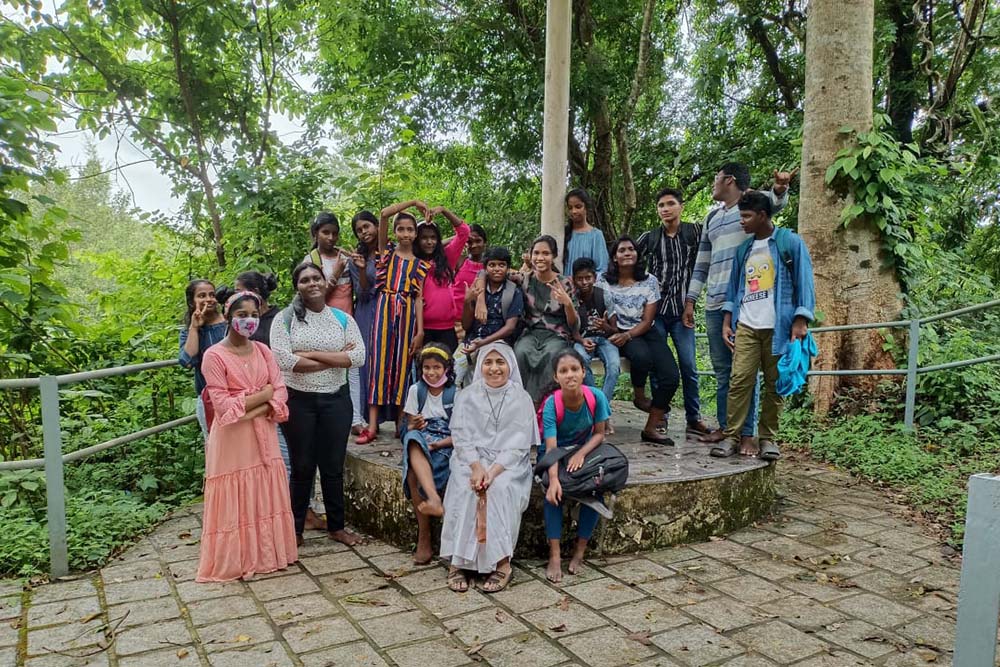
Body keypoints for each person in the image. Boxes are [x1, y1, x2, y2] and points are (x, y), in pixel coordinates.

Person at [684, 164, 795, 448]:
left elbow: (771, 207)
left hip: (746, 302)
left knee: (745, 372)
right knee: (724, 371)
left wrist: (780, 191)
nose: (713, 184)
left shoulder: (749, 209)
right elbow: (702, 262)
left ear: (729, 180)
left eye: (715, 178)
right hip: (715, 303)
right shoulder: (711, 218)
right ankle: (727, 429)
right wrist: (691, 299)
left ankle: (747, 434)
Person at [703, 192, 815, 460]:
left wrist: (801, 320)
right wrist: (727, 321)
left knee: (775, 384)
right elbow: (734, 287)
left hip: (780, 326)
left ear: (762, 215)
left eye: (746, 216)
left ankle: (768, 438)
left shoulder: (789, 242)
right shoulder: (744, 249)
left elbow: (805, 280)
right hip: (747, 324)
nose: (742, 221)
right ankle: (732, 436)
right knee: (739, 380)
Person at [196, 291, 297, 582]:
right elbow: (223, 407)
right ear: (228, 317)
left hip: (262, 433)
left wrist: (253, 404)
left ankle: (266, 555)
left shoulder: (264, 351)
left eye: (254, 315)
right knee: (237, 491)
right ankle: (237, 559)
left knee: (264, 487)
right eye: (242, 315)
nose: (249, 320)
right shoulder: (214, 356)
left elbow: (280, 392)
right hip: (232, 443)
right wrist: (263, 397)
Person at [270, 262, 367, 547]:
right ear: (296, 286)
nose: (312, 283)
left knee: (333, 466)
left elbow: (358, 357)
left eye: (316, 278)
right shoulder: (284, 319)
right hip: (299, 401)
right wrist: (336, 356)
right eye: (304, 280)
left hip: (336, 400)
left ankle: (337, 527)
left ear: (325, 282)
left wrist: (310, 353)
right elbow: (286, 362)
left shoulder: (343, 319)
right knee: (302, 466)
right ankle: (295, 529)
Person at [231, 272, 327, 532]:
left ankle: (298, 512)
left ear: (256, 294)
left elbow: (286, 359)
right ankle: (270, 516)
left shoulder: (282, 319)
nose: (237, 295)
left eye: (240, 290)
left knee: (294, 459)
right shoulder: (238, 324)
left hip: (285, 398)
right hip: (251, 403)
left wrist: (271, 395)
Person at [440, 342, 535, 594]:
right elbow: (460, 436)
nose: (494, 368)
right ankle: (459, 561)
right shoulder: (467, 395)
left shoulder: (521, 398)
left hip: (508, 464)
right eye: (488, 362)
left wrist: (491, 472)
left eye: (500, 362)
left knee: (500, 489)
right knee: (464, 487)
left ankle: (501, 562)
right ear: (480, 365)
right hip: (469, 460)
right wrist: (475, 467)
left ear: (510, 365)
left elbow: (519, 444)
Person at [636, 188, 711, 435]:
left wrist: (691, 302)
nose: (665, 209)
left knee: (689, 365)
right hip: (655, 312)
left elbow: (705, 262)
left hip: (682, 311)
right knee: (659, 366)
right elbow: (629, 261)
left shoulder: (695, 232)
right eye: (661, 205)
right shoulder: (650, 237)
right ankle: (661, 415)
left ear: (681, 206)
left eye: (670, 204)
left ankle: (693, 417)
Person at [357, 201, 430, 444]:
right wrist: (414, 203)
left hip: (408, 313)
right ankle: (373, 425)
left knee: (402, 366)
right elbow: (384, 213)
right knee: (378, 364)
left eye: (410, 230)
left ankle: (401, 424)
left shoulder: (421, 265)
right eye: (402, 229)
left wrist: (420, 332)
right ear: (395, 232)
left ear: (416, 233)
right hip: (384, 309)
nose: (406, 234)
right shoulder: (386, 254)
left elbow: (419, 299)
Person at [539, 350, 611, 583]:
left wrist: (580, 453)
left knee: (595, 489)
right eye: (563, 371)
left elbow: (600, 434)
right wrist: (555, 480)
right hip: (556, 452)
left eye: (574, 369)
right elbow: (551, 447)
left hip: (585, 449)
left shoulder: (596, 397)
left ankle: (580, 550)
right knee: (553, 494)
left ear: (583, 372)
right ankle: (555, 554)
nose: (570, 375)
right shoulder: (552, 404)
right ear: (556, 377)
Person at [598, 237, 678, 446]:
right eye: (621, 250)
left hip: (643, 330)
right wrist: (616, 333)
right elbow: (597, 308)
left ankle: (651, 428)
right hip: (616, 330)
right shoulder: (602, 280)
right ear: (614, 257)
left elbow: (648, 319)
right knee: (641, 357)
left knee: (671, 376)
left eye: (631, 249)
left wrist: (628, 335)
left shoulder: (649, 280)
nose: (627, 253)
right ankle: (640, 397)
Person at [306, 212, 367, 436]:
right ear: (315, 234)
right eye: (325, 233)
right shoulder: (311, 262)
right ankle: (329, 420)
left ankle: (356, 419)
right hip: (323, 324)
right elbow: (316, 297)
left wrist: (359, 268)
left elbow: (361, 289)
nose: (331, 238)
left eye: (334, 233)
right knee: (328, 370)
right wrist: (337, 271)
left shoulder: (346, 256)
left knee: (353, 368)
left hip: (348, 321)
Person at [400, 344, 457, 564]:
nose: (431, 372)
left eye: (436, 367)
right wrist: (413, 424)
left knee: (415, 473)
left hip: (446, 443)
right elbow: (407, 428)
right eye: (426, 367)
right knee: (412, 440)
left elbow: (462, 434)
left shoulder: (455, 393)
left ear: (446, 369)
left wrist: (437, 445)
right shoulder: (417, 390)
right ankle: (425, 531)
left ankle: (428, 534)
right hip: (422, 440)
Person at [513, 235, 580, 402]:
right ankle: (520, 403)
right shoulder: (524, 279)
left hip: (556, 335)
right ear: (530, 255)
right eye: (536, 253)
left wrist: (568, 304)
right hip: (531, 333)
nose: (540, 258)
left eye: (545, 253)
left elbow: (575, 324)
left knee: (553, 355)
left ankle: (544, 406)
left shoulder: (565, 284)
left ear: (554, 256)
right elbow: (489, 270)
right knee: (520, 352)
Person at [570, 257, 620, 433]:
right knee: (581, 361)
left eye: (588, 278)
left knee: (614, 366)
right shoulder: (572, 299)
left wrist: (605, 326)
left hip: (604, 339)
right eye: (580, 279)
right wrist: (581, 340)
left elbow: (615, 329)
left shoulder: (604, 294)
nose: (584, 282)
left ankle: (600, 413)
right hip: (583, 339)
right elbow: (570, 330)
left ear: (594, 278)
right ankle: (600, 412)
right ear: (574, 279)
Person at [179, 279, 228, 440]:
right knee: (215, 449)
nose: (209, 299)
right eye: (202, 296)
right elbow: (187, 360)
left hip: (237, 396)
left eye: (212, 295)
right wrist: (195, 328)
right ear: (192, 302)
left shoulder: (230, 322)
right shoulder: (189, 331)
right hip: (208, 399)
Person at [415, 206, 469, 352]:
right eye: (424, 238)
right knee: (425, 372)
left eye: (433, 238)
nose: (429, 242)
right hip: (421, 329)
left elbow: (464, 232)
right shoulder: (412, 262)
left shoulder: (446, 258)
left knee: (448, 371)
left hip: (446, 329)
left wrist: (444, 211)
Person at [349, 210, 380, 434]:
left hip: (389, 310)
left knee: (386, 360)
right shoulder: (356, 259)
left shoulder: (390, 251)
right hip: (366, 311)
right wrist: (361, 270)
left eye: (367, 226)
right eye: (359, 230)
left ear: (377, 226)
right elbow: (362, 293)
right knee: (366, 362)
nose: (363, 232)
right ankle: (366, 418)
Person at [461, 246, 524, 353]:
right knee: (453, 367)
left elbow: (510, 327)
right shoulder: (477, 289)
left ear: (508, 268)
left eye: (501, 265)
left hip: (499, 343)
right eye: (492, 265)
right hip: (472, 341)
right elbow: (466, 325)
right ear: (485, 268)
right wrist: (467, 301)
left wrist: (483, 343)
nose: (497, 269)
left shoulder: (513, 291)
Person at [563, 189, 609, 275]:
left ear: (586, 207)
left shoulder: (596, 235)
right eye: (570, 208)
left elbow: (602, 269)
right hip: (563, 287)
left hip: (587, 286)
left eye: (578, 206)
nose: (574, 211)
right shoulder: (563, 234)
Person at [452, 223, 488, 329]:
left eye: (478, 241)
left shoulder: (491, 265)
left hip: (479, 320)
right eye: (469, 242)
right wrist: (460, 236)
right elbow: (436, 249)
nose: (474, 245)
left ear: (485, 242)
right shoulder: (460, 261)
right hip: (454, 321)